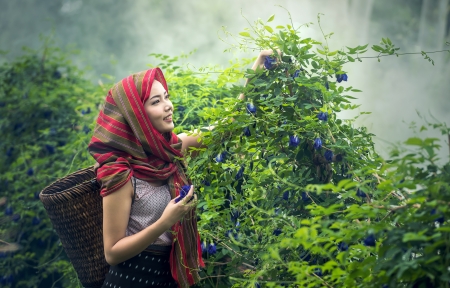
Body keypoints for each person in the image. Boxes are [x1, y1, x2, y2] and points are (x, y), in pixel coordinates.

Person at [88, 50, 279, 288]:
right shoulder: (120, 172)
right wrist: (165, 222)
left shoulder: (172, 148)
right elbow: (113, 252)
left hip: (168, 277)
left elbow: (231, 125)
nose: (168, 106)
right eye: (156, 102)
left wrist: (259, 66)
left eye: (166, 97)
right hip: (132, 279)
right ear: (136, 115)